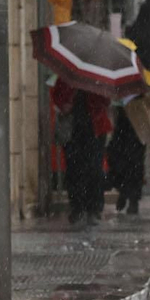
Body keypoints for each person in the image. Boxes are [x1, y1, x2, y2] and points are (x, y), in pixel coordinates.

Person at [51, 79, 112, 226]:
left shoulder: (98, 79)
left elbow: (106, 100)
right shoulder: (66, 77)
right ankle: (77, 206)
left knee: (94, 169)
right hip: (73, 129)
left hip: (95, 128)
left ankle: (94, 208)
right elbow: (57, 96)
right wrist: (66, 102)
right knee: (74, 168)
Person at [106, 98, 148, 215]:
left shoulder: (137, 95)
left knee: (131, 166)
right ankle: (127, 195)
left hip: (133, 133)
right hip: (127, 133)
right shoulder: (124, 96)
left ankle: (130, 197)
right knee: (127, 166)